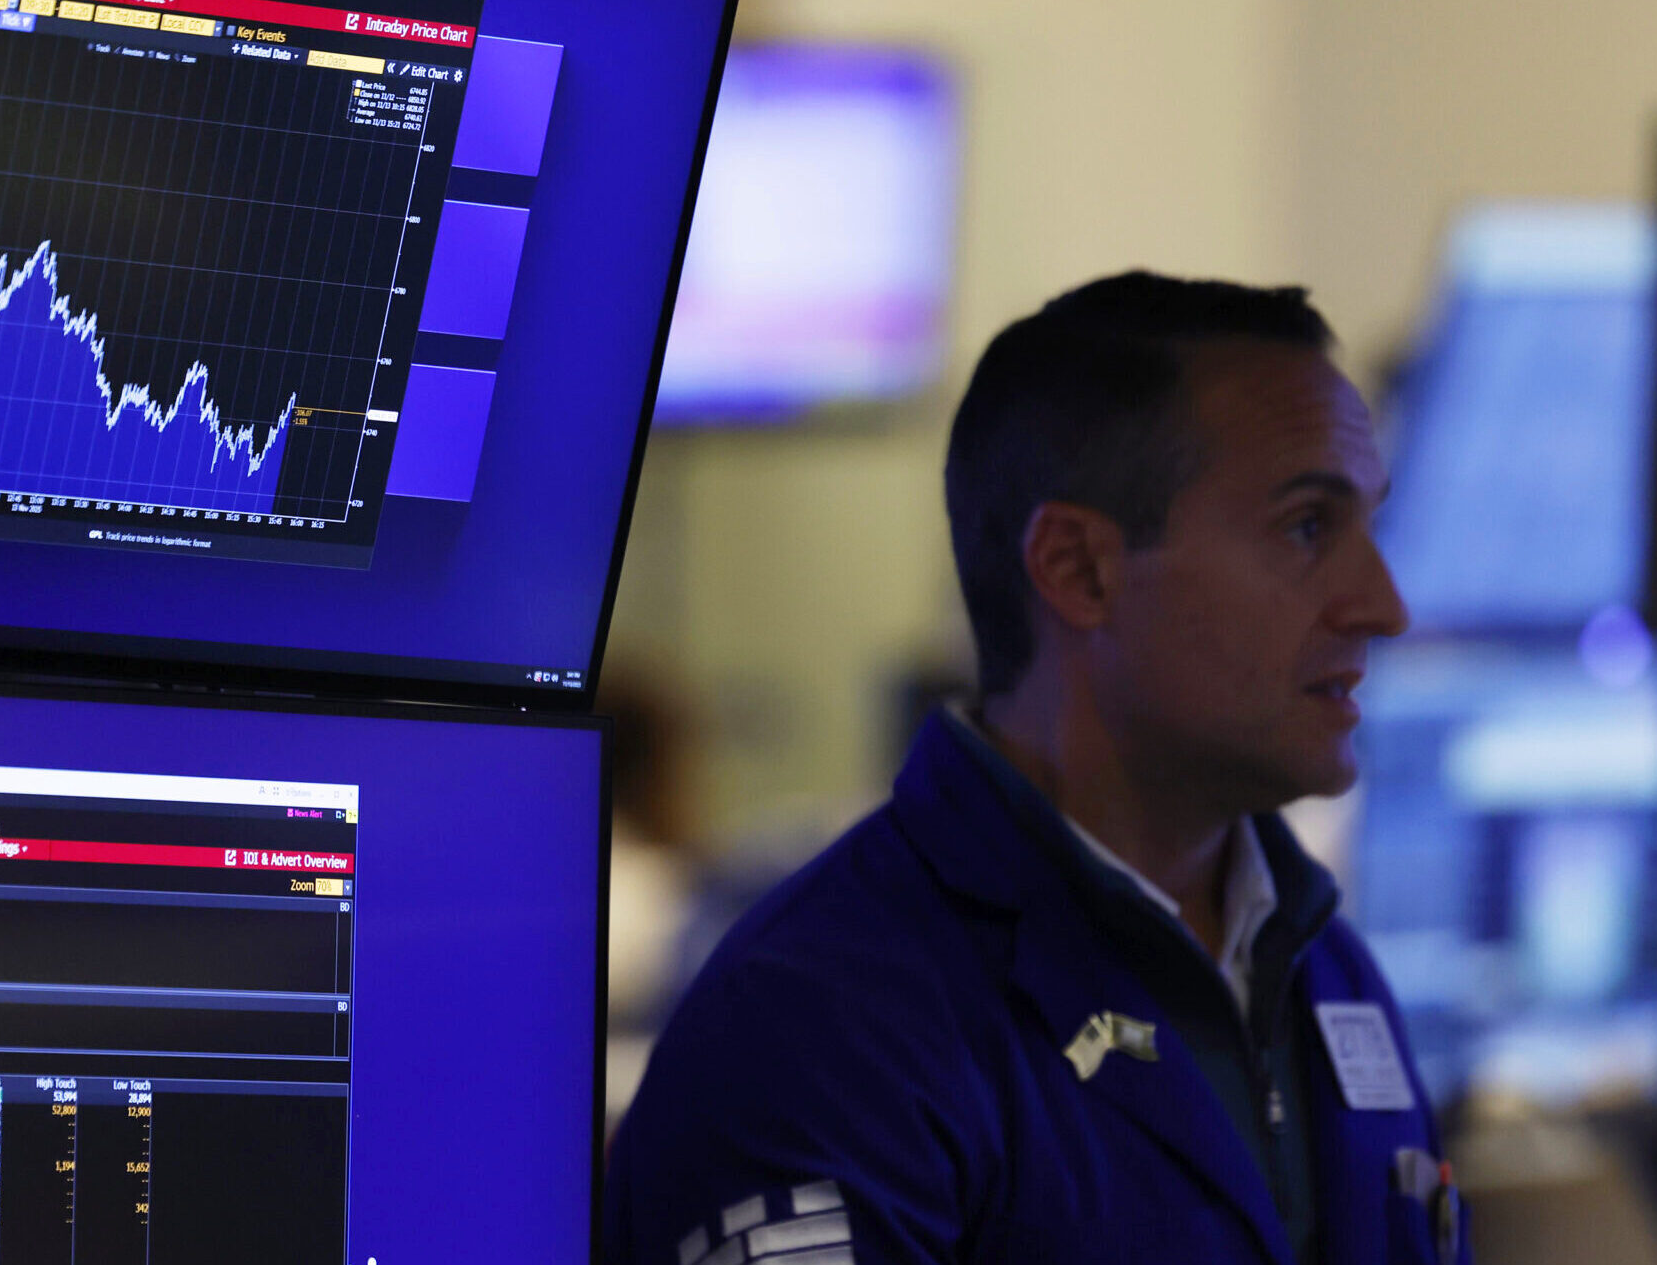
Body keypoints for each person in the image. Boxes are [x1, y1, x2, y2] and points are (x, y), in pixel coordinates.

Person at [604, 273, 1465, 1265]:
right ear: (1077, 568)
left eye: (1370, 526)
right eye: (1307, 527)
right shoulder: (819, 1025)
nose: (1382, 604)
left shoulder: (1329, 973)